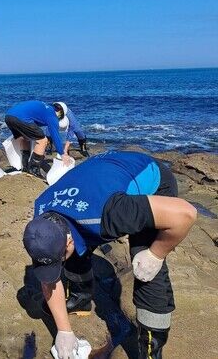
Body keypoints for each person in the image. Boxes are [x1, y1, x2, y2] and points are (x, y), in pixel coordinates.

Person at [22, 151, 197, 359]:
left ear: (68, 240)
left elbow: (185, 214)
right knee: (70, 252)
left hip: (149, 175)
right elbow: (50, 278)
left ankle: (151, 348)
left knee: (147, 271)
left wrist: (157, 253)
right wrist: (64, 330)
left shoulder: (114, 212)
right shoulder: (41, 222)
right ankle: (80, 298)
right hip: (102, 174)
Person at [5, 100, 72, 178]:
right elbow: (55, 136)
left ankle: (25, 167)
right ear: (61, 113)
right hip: (21, 118)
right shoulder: (52, 116)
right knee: (43, 141)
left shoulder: (45, 108)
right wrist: (62, 154)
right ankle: (34, 170)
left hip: (9, 116)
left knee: (25, 138)